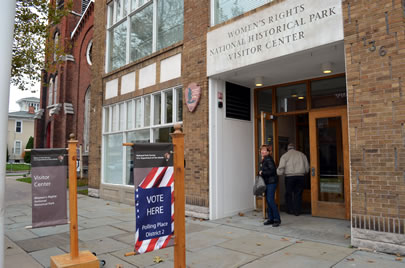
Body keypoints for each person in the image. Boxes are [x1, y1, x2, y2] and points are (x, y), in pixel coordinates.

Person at [277, 143, 309, 216]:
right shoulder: (302, 155)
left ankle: (289, 209)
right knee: (298, 194)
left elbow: (281, 167)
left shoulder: (285, 156)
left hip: (289, 177)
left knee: (289, 193)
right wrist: (305, 172)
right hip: (300, 176)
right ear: (294, 148)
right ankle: (297, 211)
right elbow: (307, 167)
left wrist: (278, 173)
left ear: (288, 148)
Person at [259, 144, 281, 227]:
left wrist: (262, 172)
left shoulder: (268, 159)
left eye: (265, 150)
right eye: (262, 150)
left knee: (270, 200)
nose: (263, 151)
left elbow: (273, 171)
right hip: (268, 182)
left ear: (268, 152)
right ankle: (270, 219)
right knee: (268, 201)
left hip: (271, 182)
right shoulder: (265, 159)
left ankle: (277, 219)